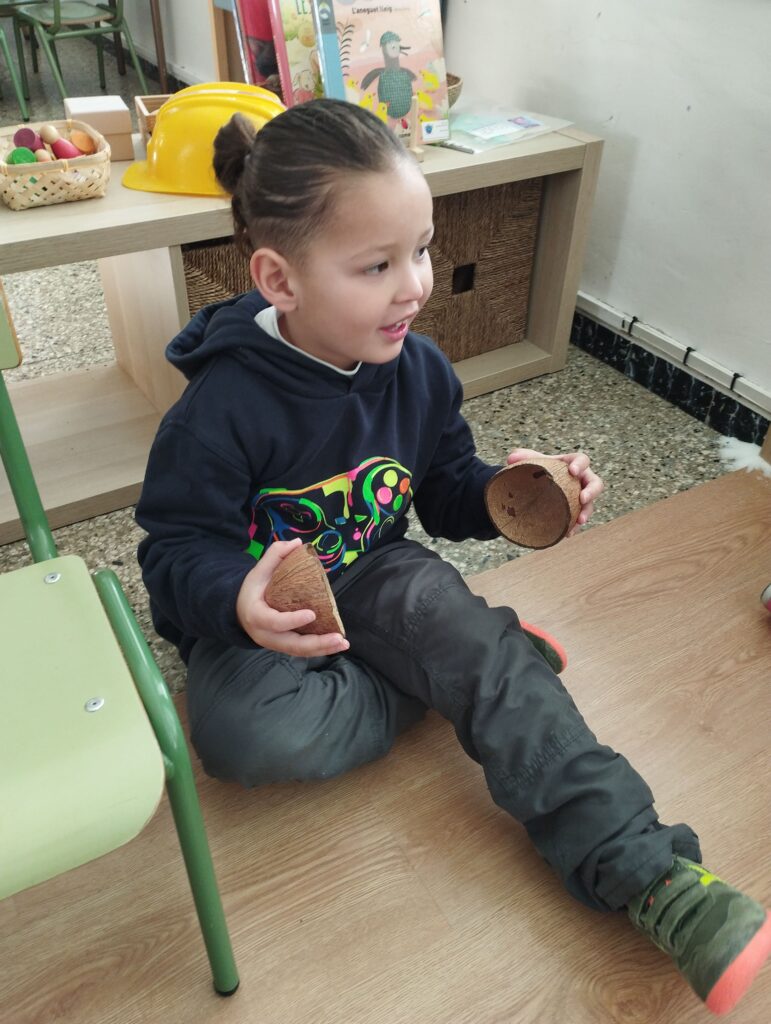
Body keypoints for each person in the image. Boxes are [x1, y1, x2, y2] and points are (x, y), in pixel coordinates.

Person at [135, 99, 769, 1015]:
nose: (415, 286)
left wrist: (512, 492)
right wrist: (235, 601)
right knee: (245, 740)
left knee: (451, 635)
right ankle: (476, 668)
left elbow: (440, 488)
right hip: (264, 622)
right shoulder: (217, 411)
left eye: (422, 250)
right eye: (377, 265)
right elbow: (173, 550)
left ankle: (649, 874)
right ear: (279, 278)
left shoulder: (420, 369)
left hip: (378, 574)